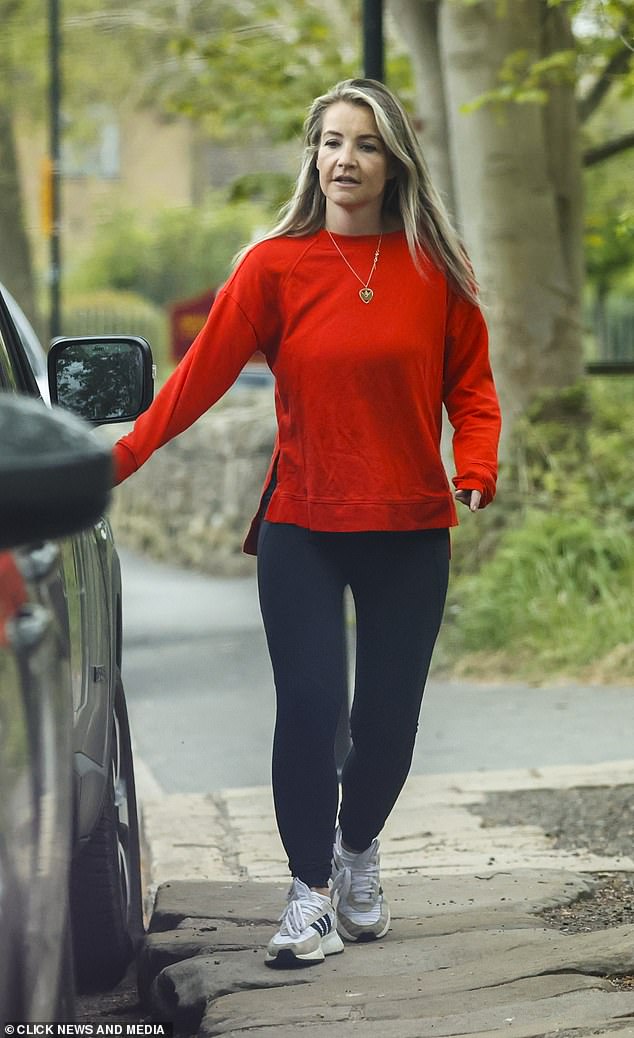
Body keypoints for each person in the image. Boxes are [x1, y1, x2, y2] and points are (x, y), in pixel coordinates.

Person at [112, 78, 501, 968]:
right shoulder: (272, 268)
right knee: (311, 706)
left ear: (394, 161)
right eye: (330, 141)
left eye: (364, 144)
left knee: (388, 719)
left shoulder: (437, 271)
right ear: (311, 155)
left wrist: (475, 465)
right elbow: (195, 380)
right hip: (304, 526)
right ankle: (310, 895)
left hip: (409, 526)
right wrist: (120, 458)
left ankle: (358, 851)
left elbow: (472, 390)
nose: (343, 159)